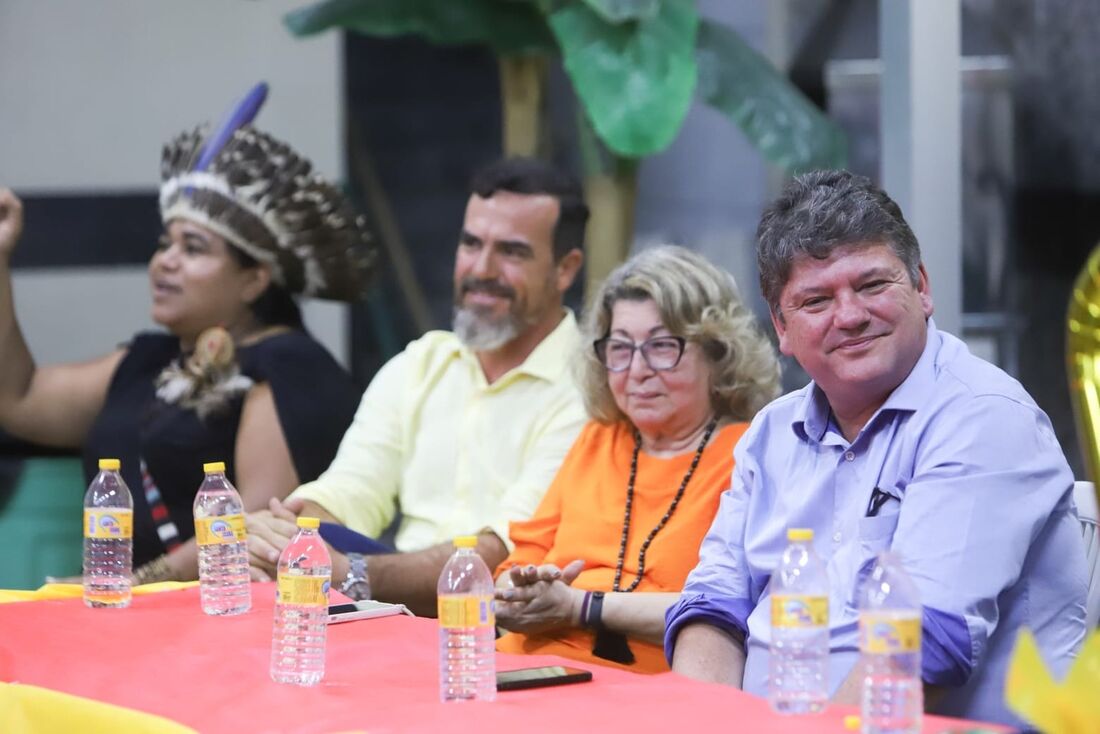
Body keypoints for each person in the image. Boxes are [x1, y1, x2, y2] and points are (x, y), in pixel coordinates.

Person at [665, 170, 1087, 726]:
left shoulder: (982, 417)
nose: (850, 315)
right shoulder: (771, 433)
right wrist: (706, 722)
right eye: (816, 300)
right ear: (782, 328)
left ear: (922, 287)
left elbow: (917, 648)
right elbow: (715, 604)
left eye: (872, 285)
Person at [0, 117, 374, 583]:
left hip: (211, 619)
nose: (165, 261)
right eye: (164, 244)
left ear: (254, 279)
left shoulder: (288, 365)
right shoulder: (148, 360)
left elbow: (253, 530)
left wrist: (135, 581)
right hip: (116, 606)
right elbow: (17, 398)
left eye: (193, 248)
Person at [246, 158, 589, 616]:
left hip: (505, 627)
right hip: (391, 611)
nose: (481, 269)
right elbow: (349, 491)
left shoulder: (590, 386)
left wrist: (349, 573)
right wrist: (285, 536)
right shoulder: (421, 363)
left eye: (512, 252)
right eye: (470, 244)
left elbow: (499, 553)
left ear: (565, 270)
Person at [492, 245, 780, 673]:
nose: (638, 370)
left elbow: (734, 609)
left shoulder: (750, 453)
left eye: (662, 346)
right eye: (620, 349)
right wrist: (516, 594)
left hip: (650, 692)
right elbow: (519, 563)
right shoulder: (598, 439)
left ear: (718, 353)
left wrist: (579, 607)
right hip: (523, 669)